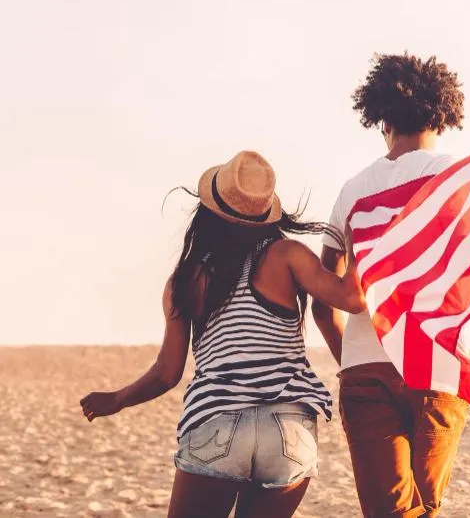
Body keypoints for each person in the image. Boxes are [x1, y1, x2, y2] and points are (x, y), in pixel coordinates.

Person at [80, 151, 366, 518]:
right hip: (289, 430)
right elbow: (352, 298)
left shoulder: (186, 280)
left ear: (208, 214)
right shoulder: (288, 255)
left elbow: (168, 373)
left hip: (218, 419)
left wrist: (119, 398)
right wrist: (357, 245)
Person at [312, 52, 469, 518]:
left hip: (365, 367)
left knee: (393, 513)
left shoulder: (353, 190)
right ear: (444, 113)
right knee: (425, 507)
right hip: (438, 365)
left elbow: (324, 299)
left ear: (380, 117)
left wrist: (356, 363)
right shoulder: (461, 179)